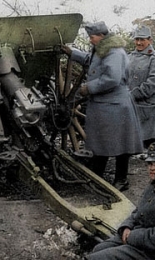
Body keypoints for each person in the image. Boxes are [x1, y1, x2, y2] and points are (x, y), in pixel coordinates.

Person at [61, 21, 143, 190]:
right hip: (106, 104)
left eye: (92, 37)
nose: (90, 40)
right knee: (102, 141)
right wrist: (73, 53)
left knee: (121, 144)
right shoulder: (105, 48)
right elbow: (92, 61)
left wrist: (89, 87)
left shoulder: (114, 53)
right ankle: (97, 175)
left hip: (114, 104)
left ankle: (121, 180)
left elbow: (112, 79)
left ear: (101, 36)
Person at [127, 25, 155, 147]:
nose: (139, 43)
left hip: (146, 106)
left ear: (150, 40)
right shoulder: (129, 57)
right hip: (128, 102)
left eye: (142, 40)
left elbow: (153, 84)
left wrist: (133, 95)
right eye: (137, 39)